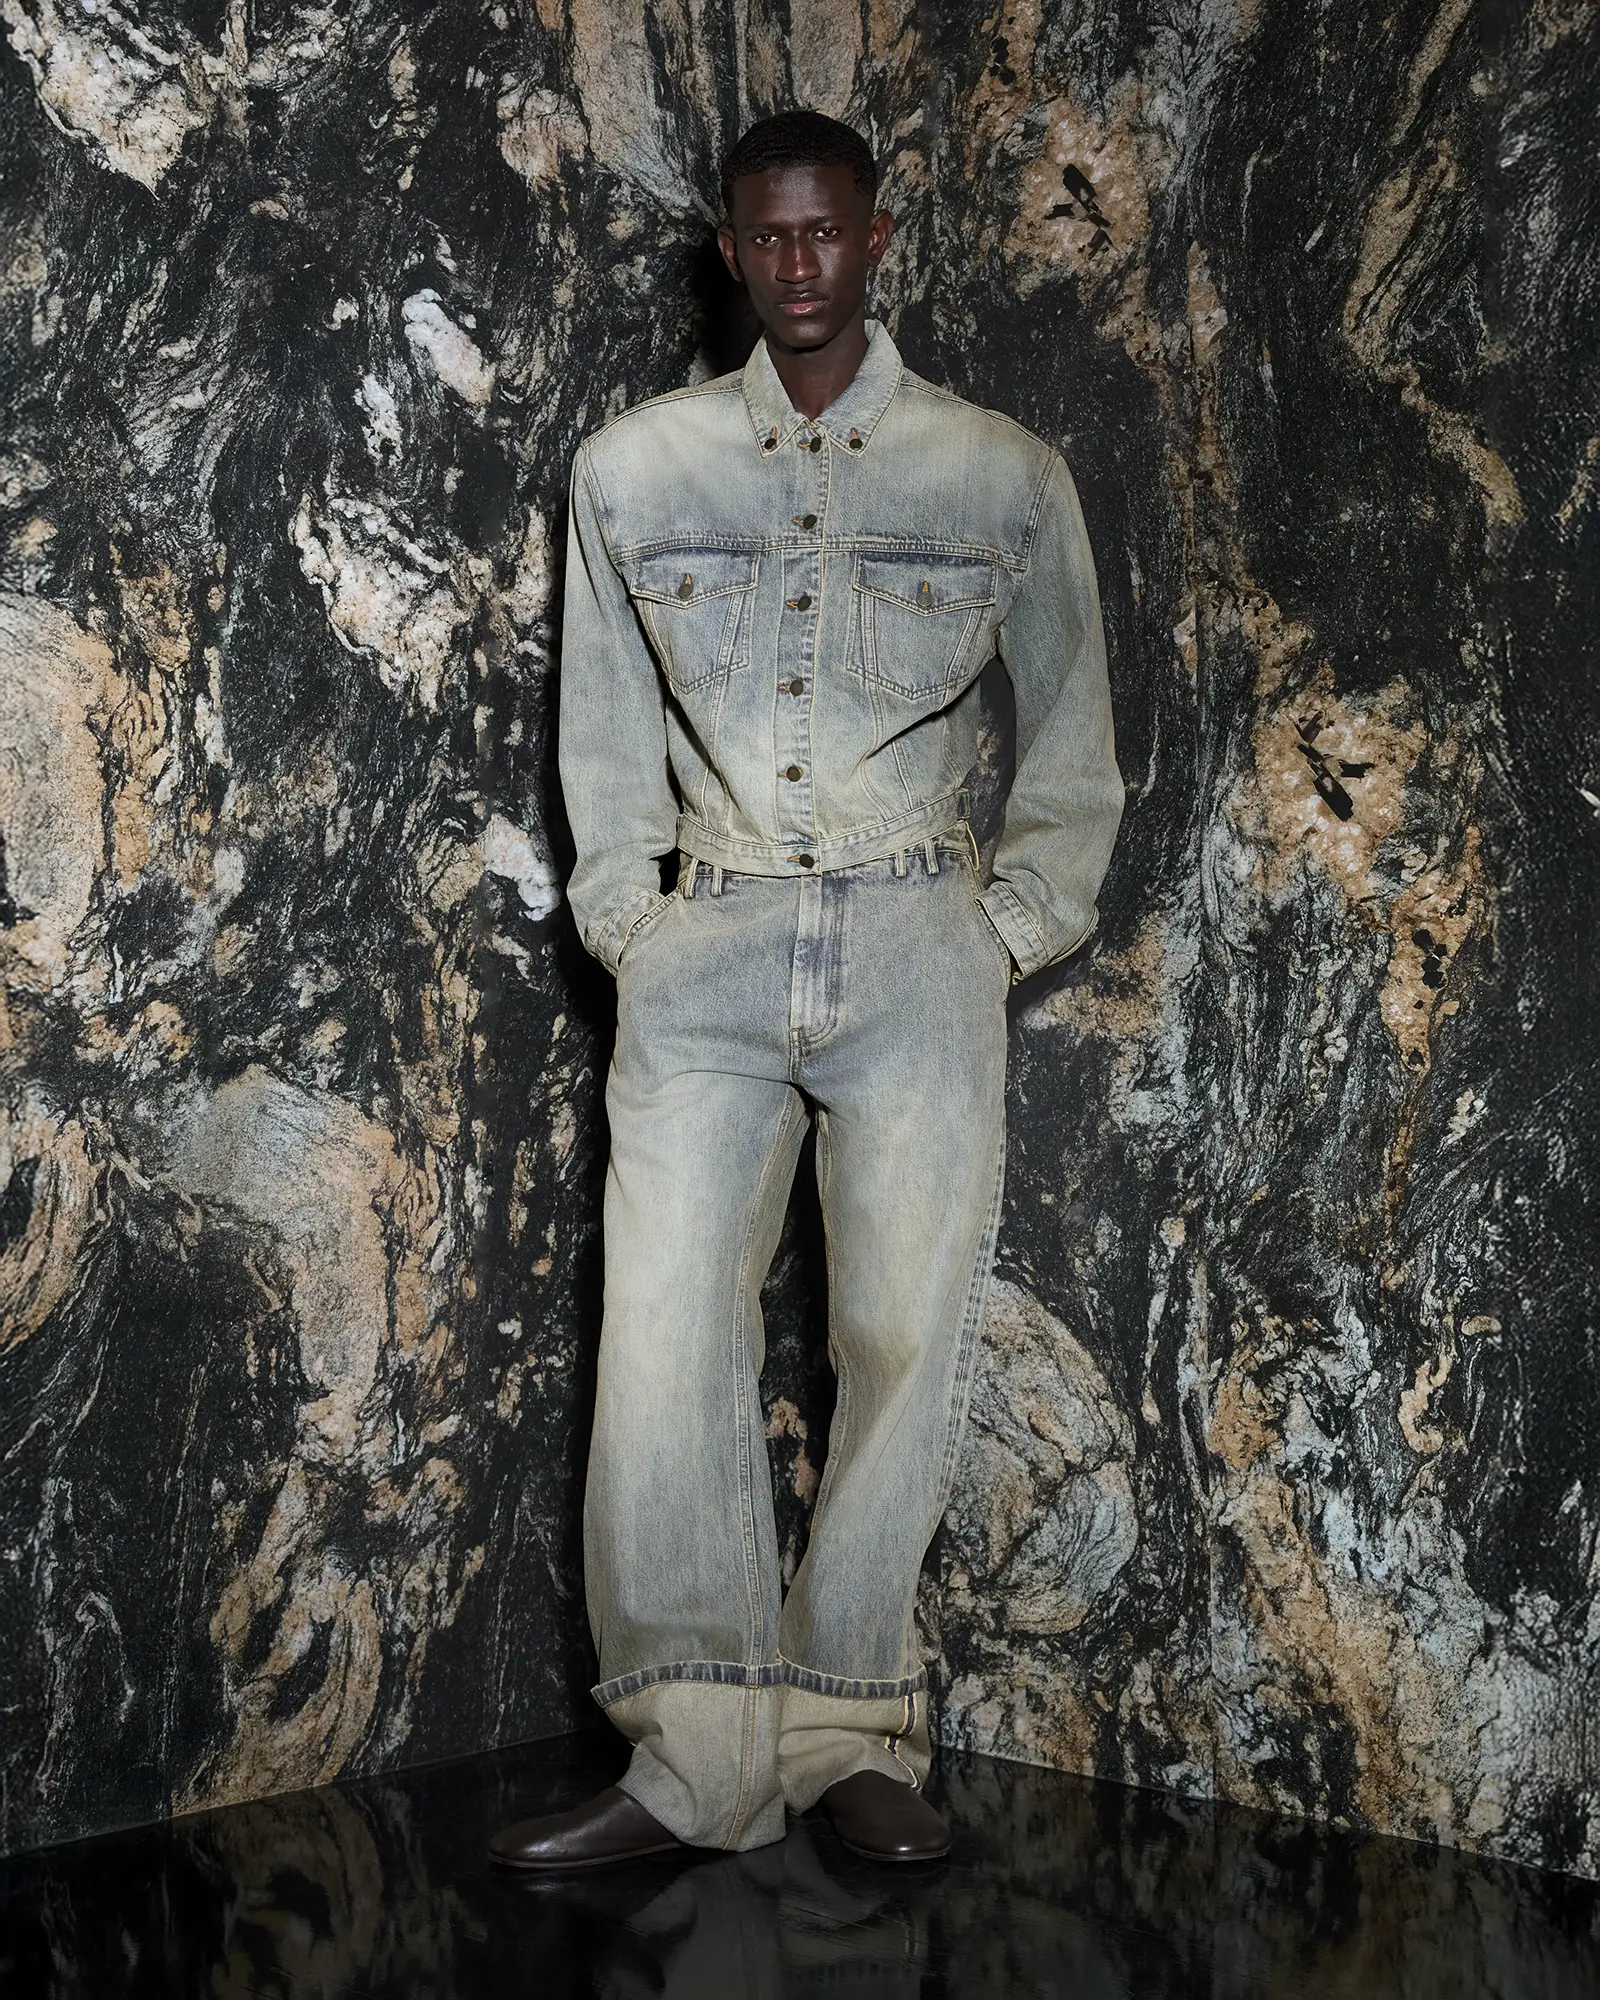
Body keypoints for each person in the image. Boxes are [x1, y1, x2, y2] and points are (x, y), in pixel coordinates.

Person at [490, 109, 1123, 1870]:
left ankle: (848, 1735)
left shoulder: (999, 473)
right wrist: (632, 924)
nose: (798, 265)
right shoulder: (634, 470)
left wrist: (1000, 932)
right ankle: (692, 1762)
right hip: (708, 939)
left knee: (902, 1335)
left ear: (877, 234)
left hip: (917, 944)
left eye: (826, 231)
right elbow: (603, 732)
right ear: (729, 250)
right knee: (662, 1338)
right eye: (765, 237)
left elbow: (1074, 735)